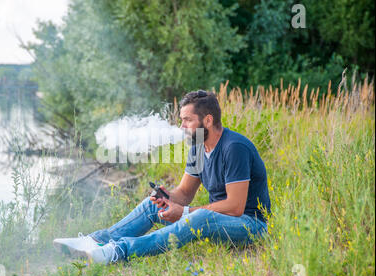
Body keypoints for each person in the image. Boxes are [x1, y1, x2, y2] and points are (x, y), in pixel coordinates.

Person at [53, 90, 271, 264]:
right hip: (217, 220)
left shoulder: (234, 148)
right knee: (153, 205)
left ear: (207, 120)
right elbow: (184, 193)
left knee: (197, 217)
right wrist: (168, 197)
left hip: (250, 225)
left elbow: (235, 207)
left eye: (187, 120)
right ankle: (95, 242)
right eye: (181, 120)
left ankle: (118, 251)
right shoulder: (198, 147)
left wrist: (184, 212)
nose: (182, 126)